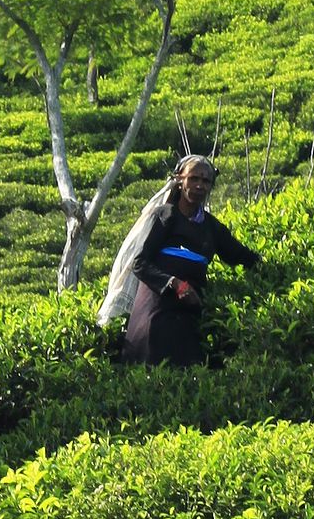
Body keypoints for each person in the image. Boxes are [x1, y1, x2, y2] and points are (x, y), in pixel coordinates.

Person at [98, 154, 260, 366]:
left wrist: (269, 267)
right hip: (155, 313)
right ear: (179, 180)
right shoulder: (165, 216)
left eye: (205, 181)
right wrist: (175, 284)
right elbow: (139, 262)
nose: (199, 185)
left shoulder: (211, 228)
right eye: (194, 178)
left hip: (187, 317)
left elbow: (241, 256)